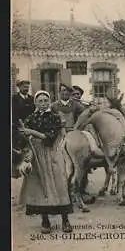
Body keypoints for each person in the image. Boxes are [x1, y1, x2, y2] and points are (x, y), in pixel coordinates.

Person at [18, 90, 73, 234]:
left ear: (49, 102)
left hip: (52, 154)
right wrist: (27, 152)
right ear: (35, 103)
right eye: (40, 101)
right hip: (36, 156)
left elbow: (49, 138)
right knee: (40, 188)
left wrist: (31, 132)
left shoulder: (55, 117)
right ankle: (45, 221)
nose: (43, 104)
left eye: (45, 101)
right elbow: (26, 142)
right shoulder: (30, 118)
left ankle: (65, 220)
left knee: (59, 185)